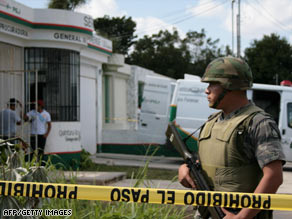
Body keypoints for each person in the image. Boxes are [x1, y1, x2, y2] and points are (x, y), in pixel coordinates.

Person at [178, 56, 285, 219]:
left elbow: (274, 177)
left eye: (212, 84)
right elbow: (211, 162)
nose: (207, 90)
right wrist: (186, 169)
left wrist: (242, 216)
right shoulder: (212, 121)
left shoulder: (258, 123)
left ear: (229, 86)